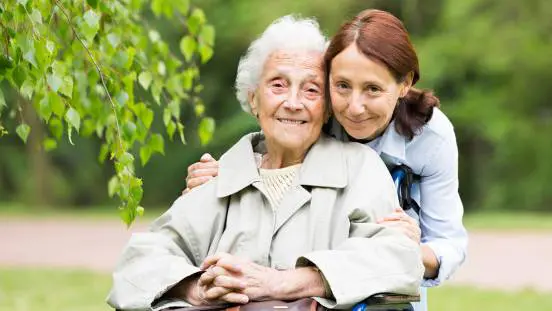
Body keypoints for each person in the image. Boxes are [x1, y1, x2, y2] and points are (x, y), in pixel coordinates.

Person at [107, 15, 424, 311]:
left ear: (327, 107)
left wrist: (285, 282)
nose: (293, 102)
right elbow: (139, 263)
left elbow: (397, 258)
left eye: (311, 89)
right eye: (278, 85)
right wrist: (195, 288)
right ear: (254, 98)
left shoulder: (360, 169)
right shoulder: (219, 177)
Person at [183, 9, 468, 311]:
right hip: (312, 278)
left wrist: (404, 249)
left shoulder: (430, 137)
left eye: (372, 89)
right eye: (342, 86)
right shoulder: (312, 114)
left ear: (404, 83)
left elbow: (448, 245)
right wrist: (221, 176)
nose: (354, 108)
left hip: (388, 279)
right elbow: (273, 167)